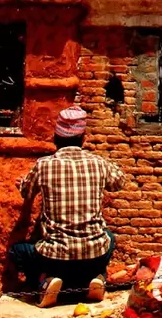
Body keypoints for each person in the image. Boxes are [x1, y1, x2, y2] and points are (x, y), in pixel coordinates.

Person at [9, 105, 126, 307]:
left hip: (55, 257)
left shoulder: (44, 165)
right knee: (109, 237)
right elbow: (119, 183)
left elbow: (26, 193)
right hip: (94, 254)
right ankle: (95, 278)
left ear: (56, 137)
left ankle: (45, 281)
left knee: (16, 251)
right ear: (83, 139)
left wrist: (23, 184)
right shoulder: (98, 163)